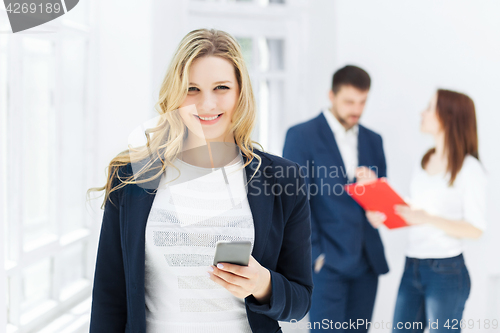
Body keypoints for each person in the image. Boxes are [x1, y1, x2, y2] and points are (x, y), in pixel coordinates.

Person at [88, 28, 313, 333]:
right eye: (192, 89)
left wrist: (263, 284)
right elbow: (109, 297)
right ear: (175, 94)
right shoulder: (132, 176)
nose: (206, 104)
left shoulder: (282, 179)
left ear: (240, 93)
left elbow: (300, 301)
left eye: (221, 87)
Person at [366, 89, 486, 333]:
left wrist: (427, 218)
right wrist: (382, 210)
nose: (422, 112)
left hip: (446, 272)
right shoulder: (425, 159)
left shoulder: (469, 168)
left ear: (448, 117)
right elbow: (415, 213)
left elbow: (475, 229)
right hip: (412, 266)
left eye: (430, 107)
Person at [283, 65, 389, 332]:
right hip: (326, 266)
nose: (357, 109)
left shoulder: (373, 140)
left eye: (363, 101)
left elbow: (381, 203)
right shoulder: (301, 136)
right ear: (331, 96)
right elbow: (296, 203)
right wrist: (316, 256)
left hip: (367, 263)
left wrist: (375, 195)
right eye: (349, 101)